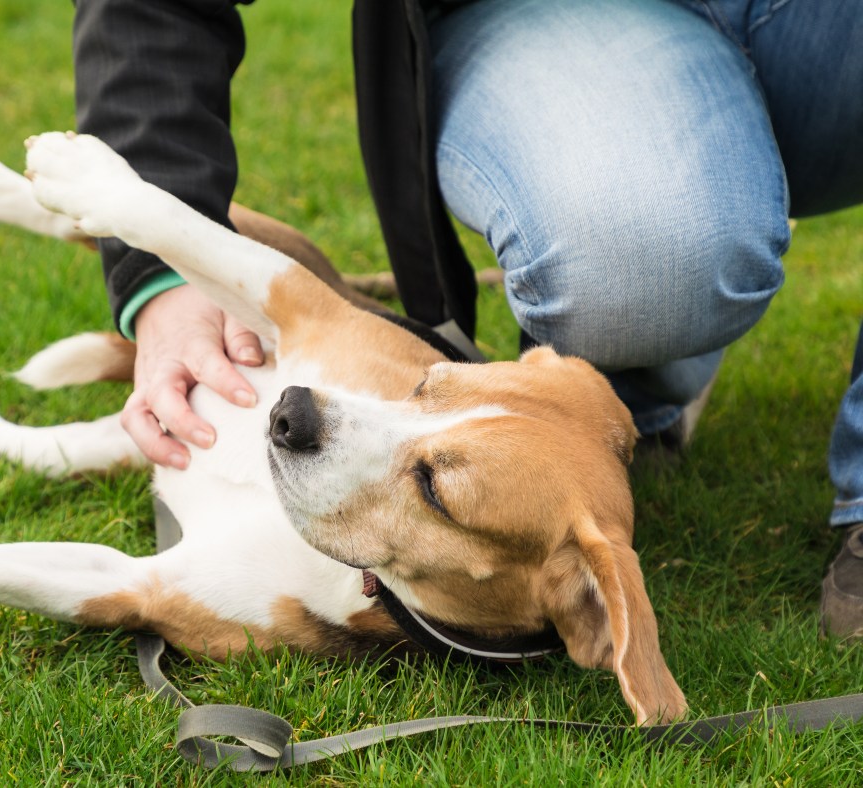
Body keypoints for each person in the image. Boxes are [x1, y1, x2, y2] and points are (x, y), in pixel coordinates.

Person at [71, 0, 863, 636]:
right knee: (637, 257)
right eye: (429, 388)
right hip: (564, 18)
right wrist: (158, 276)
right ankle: (625, 403)